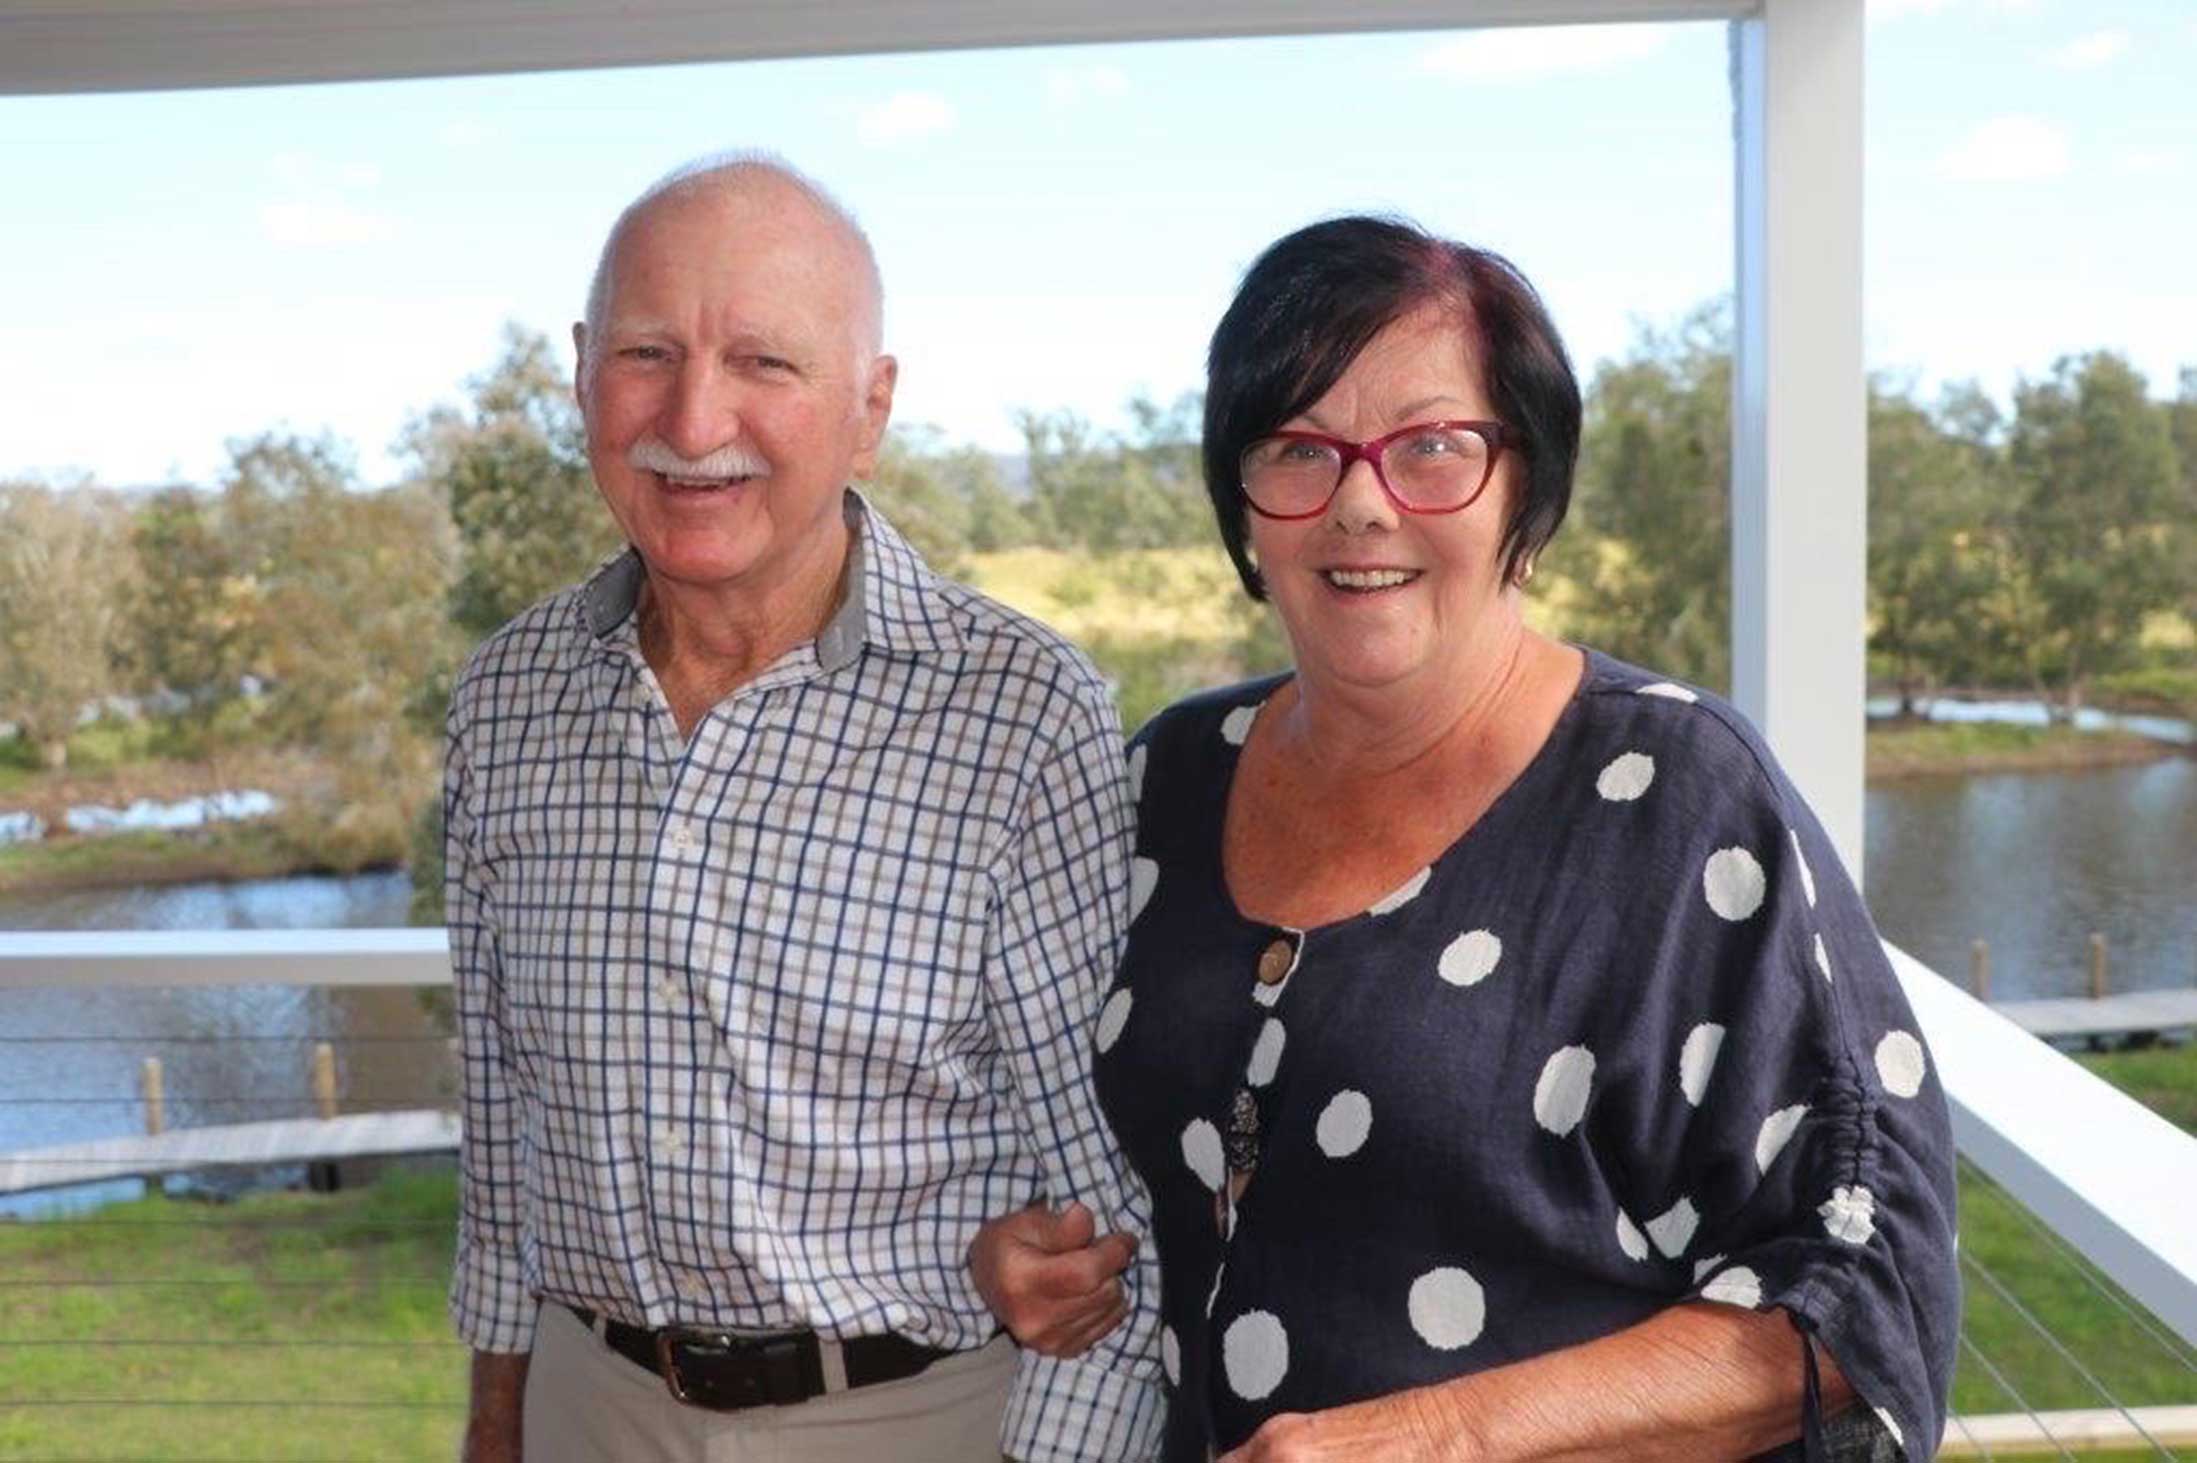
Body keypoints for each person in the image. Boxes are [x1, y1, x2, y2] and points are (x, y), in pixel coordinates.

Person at [970, 216, 1958, 1461]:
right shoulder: (1165, 775)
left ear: (1523, 483)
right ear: (1242, 494)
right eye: (1297, 449)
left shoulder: (1679, 797)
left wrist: (1441, 1434)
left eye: (1432, 447)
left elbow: (1864, 1289)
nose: (1360, 505)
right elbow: (1104, 1129)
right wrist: (1023, 1252)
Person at [443, 153, 1163, 1463]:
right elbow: (505, 1116)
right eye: (647, 351)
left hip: (913, 1417)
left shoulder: (1018, 714)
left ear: (868, 407)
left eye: (764, 363)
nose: (694, 415)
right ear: (580, 372)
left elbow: (1105, 1193)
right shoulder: (508, 696)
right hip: (585, 1404)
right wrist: (498, 1416)